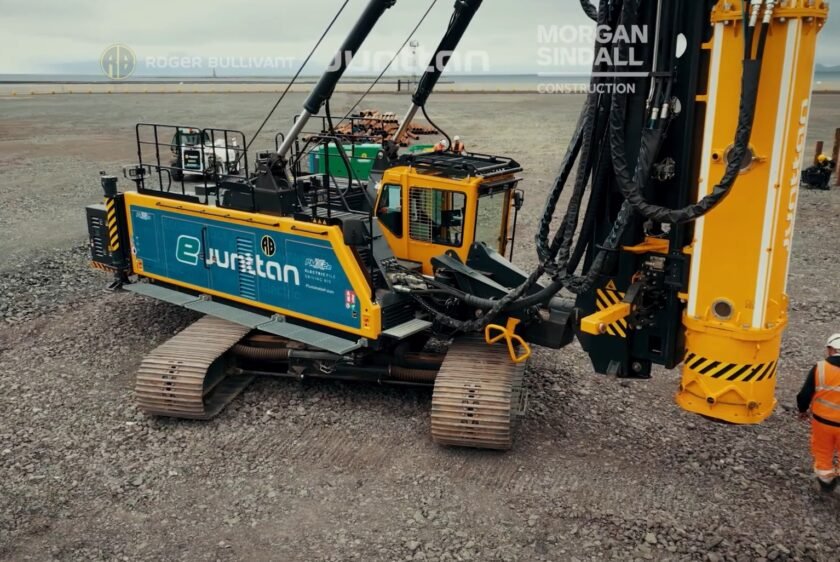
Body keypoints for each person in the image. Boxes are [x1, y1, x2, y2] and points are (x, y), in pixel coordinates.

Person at [797, 333, 840, 493]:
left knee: (823, 452)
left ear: (831, 349)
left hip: (823, 423)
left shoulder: (821, 368)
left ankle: (826, 483)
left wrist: (802, 410)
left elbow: (805, 394)